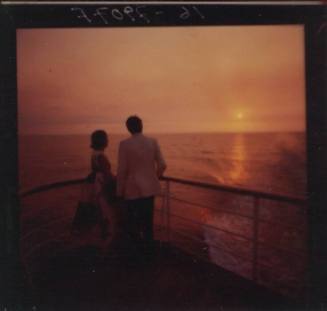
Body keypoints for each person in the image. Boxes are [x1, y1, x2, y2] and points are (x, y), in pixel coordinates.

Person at [117, 116, 166, 254]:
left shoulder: (124, 144)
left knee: (133, 225)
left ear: (128, 128)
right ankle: (149, 255)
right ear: (141, 126)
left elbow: (122, 171)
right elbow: (162, 165)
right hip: (148, 191)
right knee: (148, 225)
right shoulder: (152, 142)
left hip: (132, 192)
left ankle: (136, 257)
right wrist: (154, 177)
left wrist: (119, 192)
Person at [72, 130, 117, 244]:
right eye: (106, 138)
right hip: (101, 185)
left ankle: (98, 241)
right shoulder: (101, 155)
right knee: (105, 213)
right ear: (103, 141)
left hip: (94, 185)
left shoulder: (94, 153)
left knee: (98, 213)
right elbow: (106, 173)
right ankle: (105, 242)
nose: (108, 140)